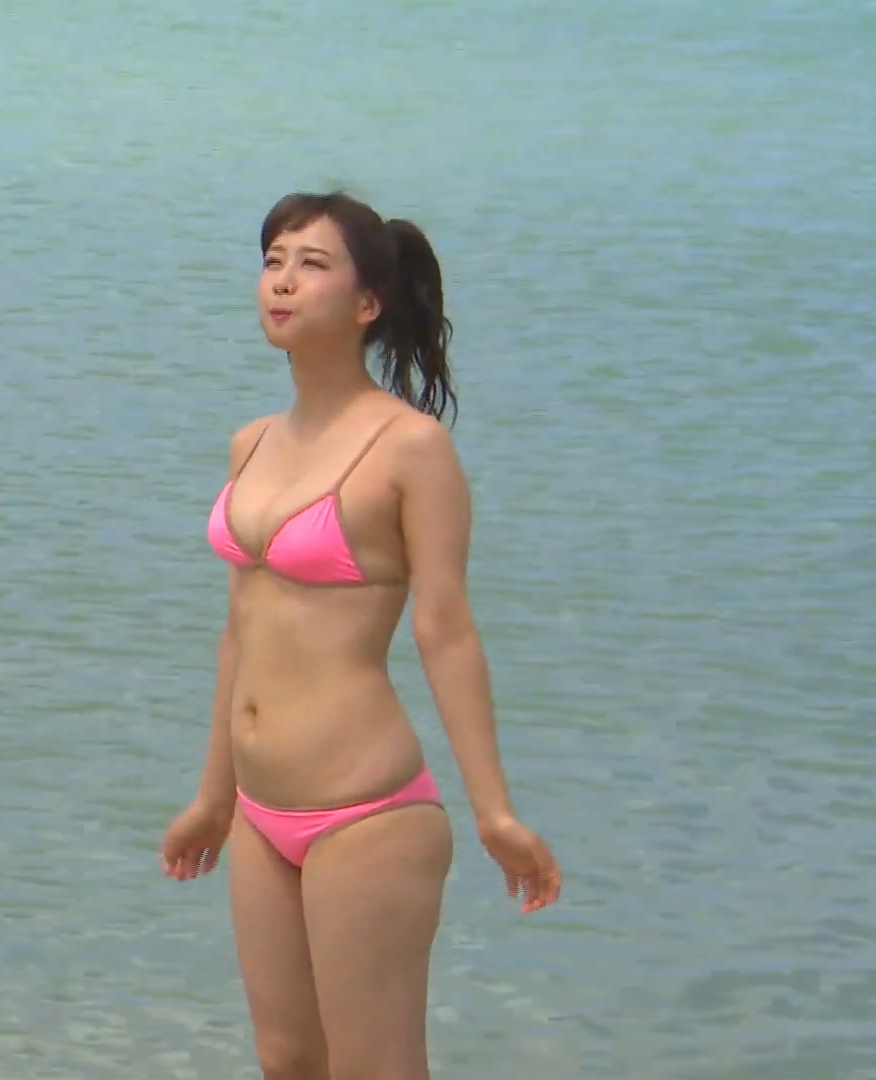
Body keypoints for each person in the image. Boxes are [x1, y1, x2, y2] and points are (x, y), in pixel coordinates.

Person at [159, 190, 563, 1080]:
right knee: (287, 1060)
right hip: (261, 811)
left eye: (312, 265)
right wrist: (214, 797)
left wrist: (495, 810)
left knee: (374, 1069)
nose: (282, 281)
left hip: (366, 810)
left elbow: (445, 631)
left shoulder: (411, 449)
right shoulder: (250, 444)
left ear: (367, 303)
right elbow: (240, 631)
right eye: (273, 261)